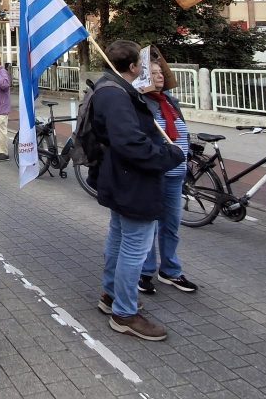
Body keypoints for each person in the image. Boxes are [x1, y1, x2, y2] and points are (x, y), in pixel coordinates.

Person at [92, 40, 184, 341]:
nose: (146, 69)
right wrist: (168, 156)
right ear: (132, 67)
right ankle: (125, 312)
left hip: (121, 179)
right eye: (142, 64)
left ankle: (111, 295)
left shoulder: (112, 88)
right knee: (134, 247)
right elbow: (130, 143)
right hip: (133, 182)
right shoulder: (116, 95)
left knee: (119, 238)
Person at [138, 60, 197, 295]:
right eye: (153, 73)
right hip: (156, 174)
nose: (160, 76)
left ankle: (170, 270)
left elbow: (181, 131)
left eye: (161, 72)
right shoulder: (142, 104)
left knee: (170, 225)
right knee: (150, 225)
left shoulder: (170, 102)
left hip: (176, 174)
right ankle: (145, 270)